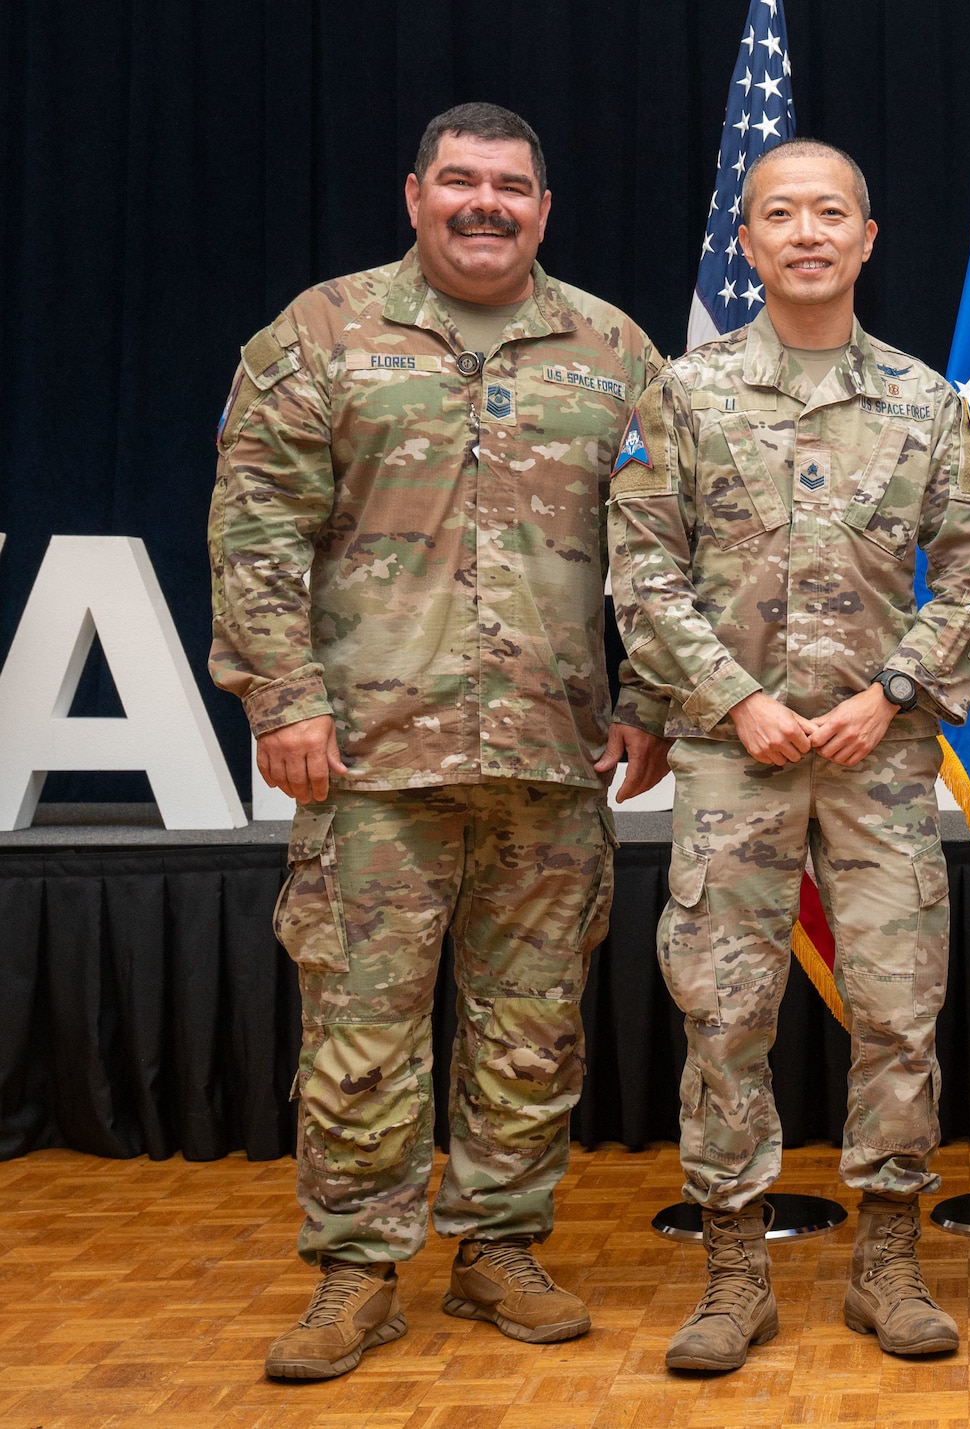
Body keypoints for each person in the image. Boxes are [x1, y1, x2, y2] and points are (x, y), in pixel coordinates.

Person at [209, 102, 669, 1382]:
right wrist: (283, 698)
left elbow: (663, 551)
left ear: (544, 208)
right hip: (369, 755)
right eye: (459, 181)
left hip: (551, 754)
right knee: (359, 1028)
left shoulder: (613, 350)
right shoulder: (322, 332)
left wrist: (652, 700)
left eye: (510, 185)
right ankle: (357, 1272)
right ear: (413, 194)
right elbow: (254, 530)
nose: (485, 203)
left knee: (531, 1027)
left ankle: (498, 1250)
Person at [607, 138, 970, 1374]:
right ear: (749, 240)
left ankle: (887, 1259)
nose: (809, 232)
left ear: (867, 239)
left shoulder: (928, 402)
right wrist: (729, 700)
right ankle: (734, 1269)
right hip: (737, 756)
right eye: (782, 214)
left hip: (877, 752)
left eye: (832, 212)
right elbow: (643, 570)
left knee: (898, 1009)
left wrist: (889, 695)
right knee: (724, 1012)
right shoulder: (680, 395)